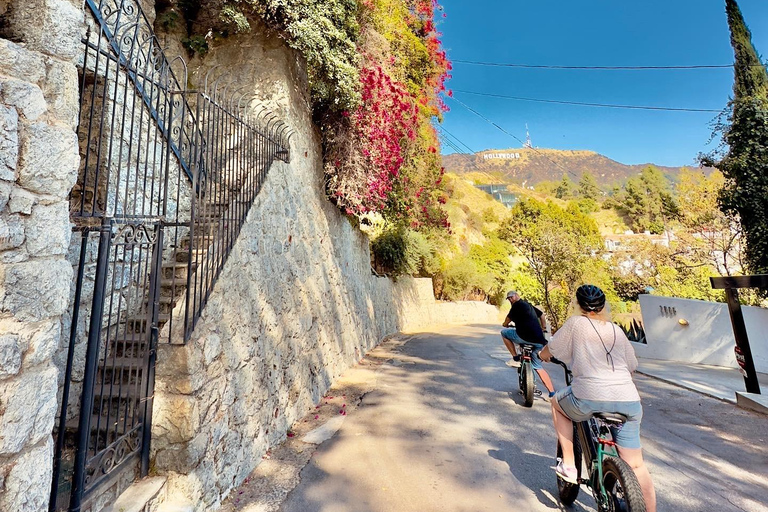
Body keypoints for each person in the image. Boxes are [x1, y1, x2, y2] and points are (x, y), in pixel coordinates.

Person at [540, 284, 657, 512]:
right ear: (604, 306)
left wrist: (542, 356)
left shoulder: (576, 323)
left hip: (589, 397)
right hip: (629, 401)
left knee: (556, 403)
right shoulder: (616, 330)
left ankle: (570, 466)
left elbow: (551, 349)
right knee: (636, 464)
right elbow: (632, 366)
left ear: (578, 305)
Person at [500, 290, 556, 399]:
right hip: (539, 340)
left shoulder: (517, 305)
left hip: (524, 337)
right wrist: (543, 328)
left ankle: (515, 357)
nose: (510, 300)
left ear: (517, 296)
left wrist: (505, 324)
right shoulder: (529, 306)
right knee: (538, 366)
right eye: (509, 299)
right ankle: (552, 393)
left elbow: (507, 320)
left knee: (504, 333)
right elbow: (542, 315)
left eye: (511, 297)